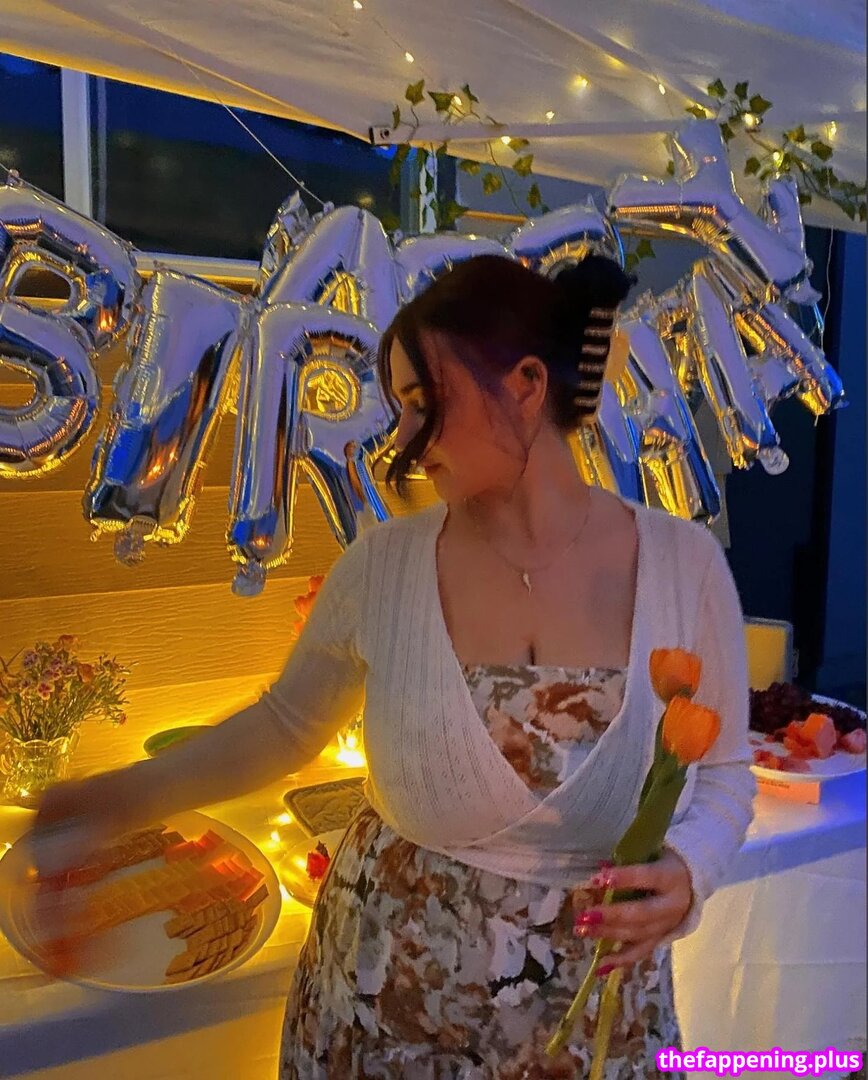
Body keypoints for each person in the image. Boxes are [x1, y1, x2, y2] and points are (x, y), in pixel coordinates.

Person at [30, 254, 757, 1078]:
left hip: (593, 1021)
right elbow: (283, 726)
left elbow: (725, 773)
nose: (402, 438)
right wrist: (111, 800)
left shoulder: (683, 566)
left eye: (423, 402)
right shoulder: (383, 567)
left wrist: (689, 871)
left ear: (526, 384)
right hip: (383, 1005)